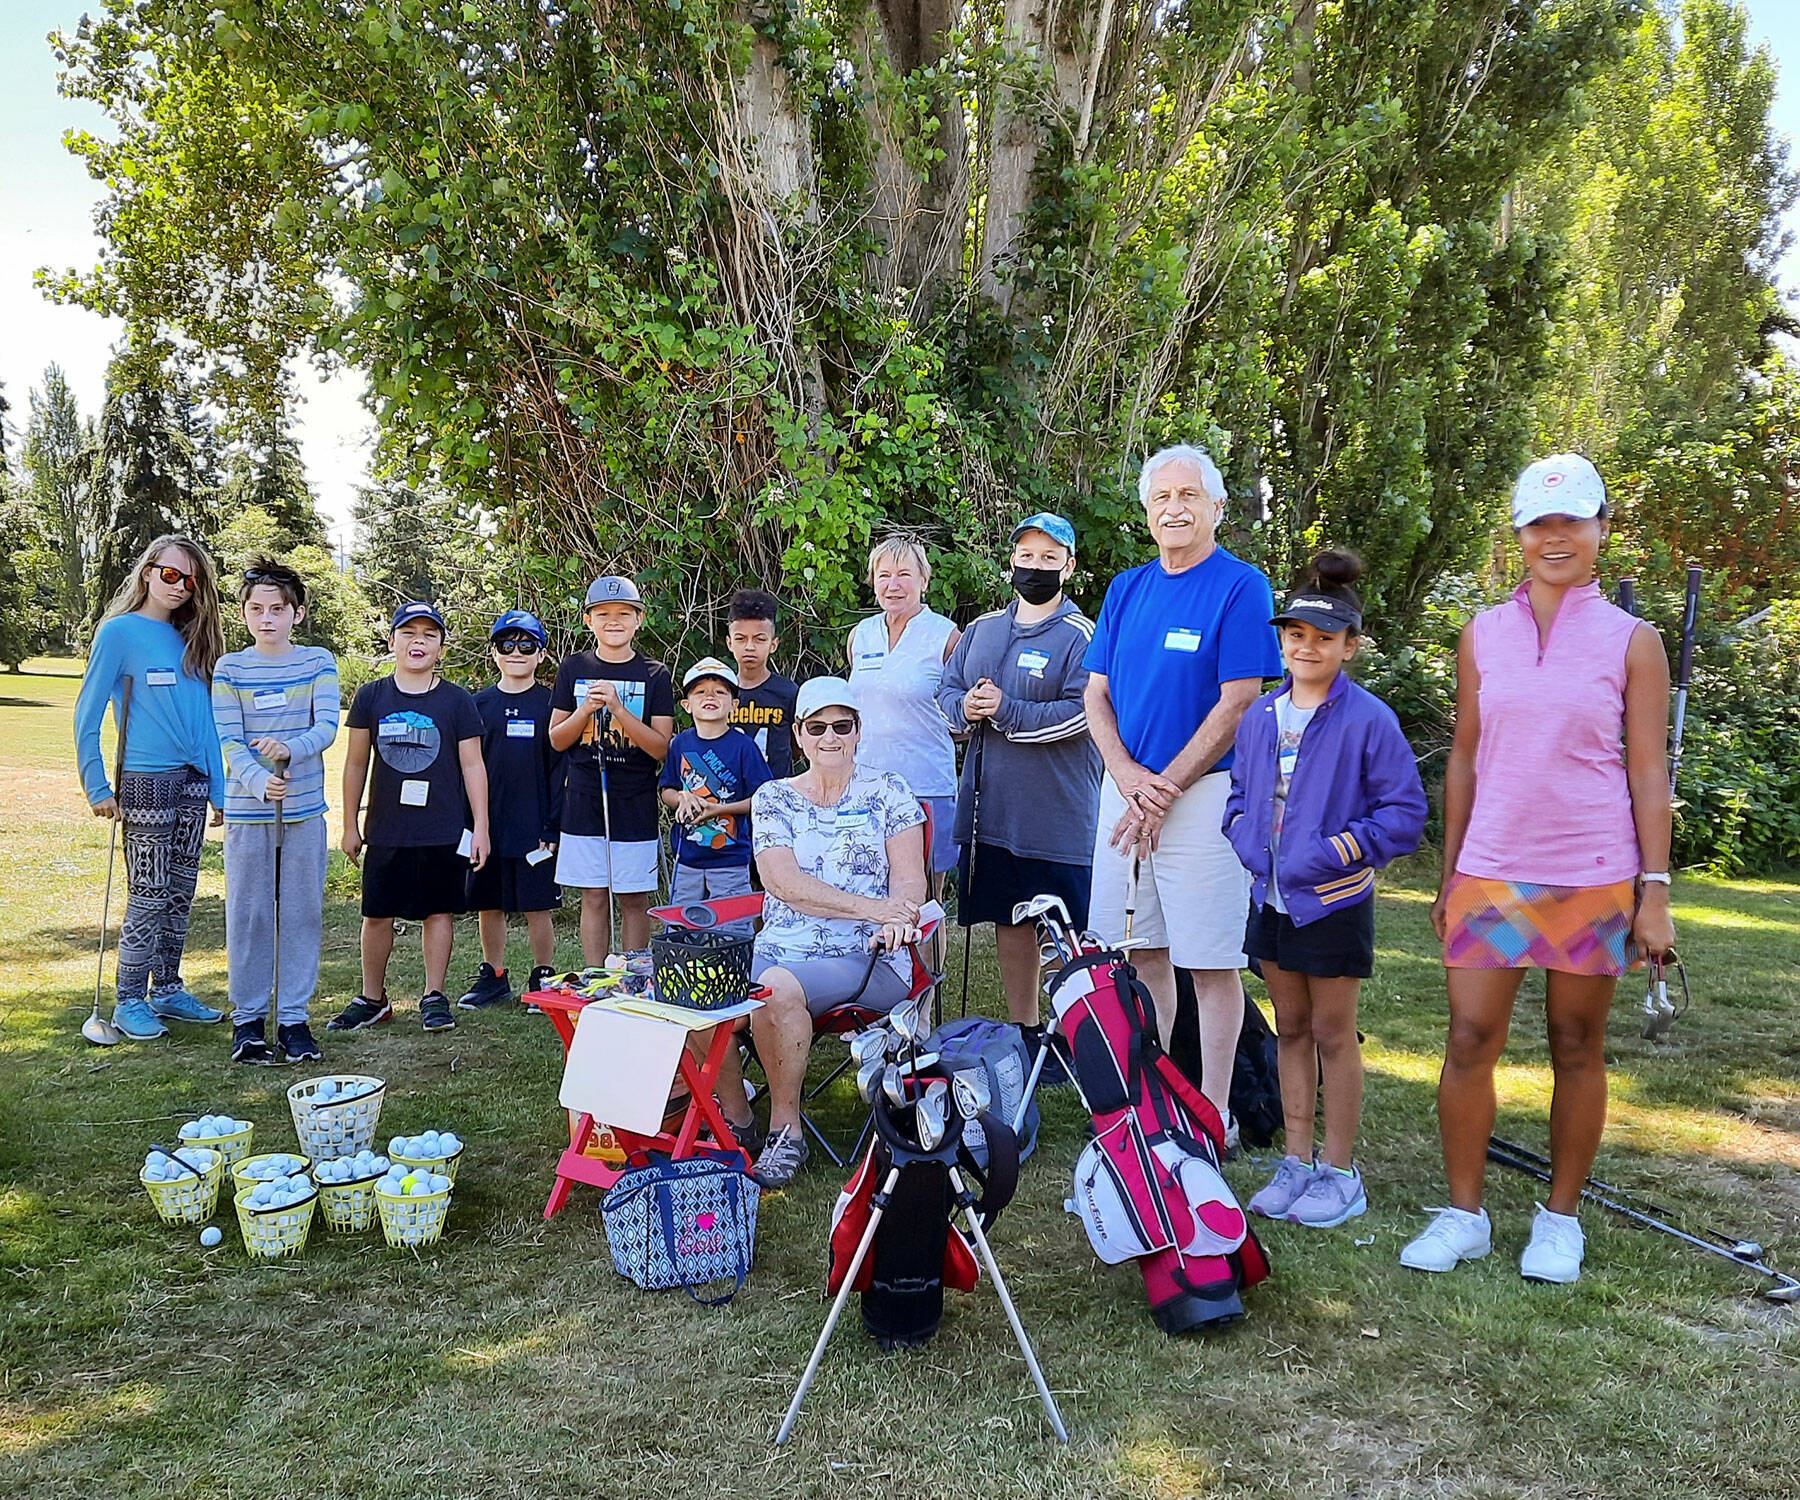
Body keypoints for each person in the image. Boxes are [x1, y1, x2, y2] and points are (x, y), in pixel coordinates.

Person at [1401, 454, 1676, 1285]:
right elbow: (1466, 761)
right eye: (1538, 523)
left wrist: (1654, 890)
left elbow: (1647, 772)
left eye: (1572, 521)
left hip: (1594, 873)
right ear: (1519, 535)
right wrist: (1451, 875)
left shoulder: (1634, 641)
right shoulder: (1482, 633)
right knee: (1469, 1038)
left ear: (1600, 531)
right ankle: (1465, 1216)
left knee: (1576, 1043)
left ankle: (1559, 1221)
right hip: (1491, 868)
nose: (1555, 537)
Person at [1083, 444, 1283, 1142]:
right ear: (1146, 509)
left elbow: (1239, 701)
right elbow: (1095, 696)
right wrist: (1130, 779)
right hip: (1126, 794)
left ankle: (1213, 1112)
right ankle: (1150, 1108)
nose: (1174, 508)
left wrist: (1165, 787)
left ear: (1216, 507)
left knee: (1211, 961)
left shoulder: (1241, 586)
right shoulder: (1126, 589)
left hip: (1203, 802)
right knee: (1139, 958)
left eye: (1189, 496)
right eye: (1163, 496)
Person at [1223, 550, 1426, 1226]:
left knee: (1335, 1033)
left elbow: (1403, 814)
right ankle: (1297, 1160)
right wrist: (1245, 836)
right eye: (1296, 635)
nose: (1307, 648)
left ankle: (1341, 1171)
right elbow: (1240, 796)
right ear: (1281, 639)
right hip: (1271, 898)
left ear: (1350, 646)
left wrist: (1337, 851)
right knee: (1291, 1029)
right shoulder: (1260, 716)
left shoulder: (1369, 720)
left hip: (1333, 901)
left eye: (1324, 637)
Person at [715, 678, 927, 1189]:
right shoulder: (774, 797)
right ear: (799, 735)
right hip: (781, 946)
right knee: (698, 984)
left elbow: (910, 879)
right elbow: (781, 882)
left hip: (869, 956)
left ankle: (786, 1131)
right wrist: (876, 907)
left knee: (776, 988)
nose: (830, 736)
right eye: (817, 727)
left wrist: (899, 915)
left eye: (842, 725)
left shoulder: (889, 791)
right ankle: (739, 1120)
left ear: (858, 732)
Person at [936, 512, 1100, 1042]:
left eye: (1049, 558)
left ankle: (1081, 1034)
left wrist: (1007, 711)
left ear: (1069, 566)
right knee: (1011, 922)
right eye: (1027, 557)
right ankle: (1026, 1030)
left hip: (1059, 815)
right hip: (993, 814)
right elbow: (945, 695)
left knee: (1069, 932)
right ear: (1012, 561)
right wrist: (967, 707)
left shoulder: (1081, 635)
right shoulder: (983, 629)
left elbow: (1083, 713)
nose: (1036, 567)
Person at [74, 535, 228, 1040]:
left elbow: (206, 723)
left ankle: (166, 988)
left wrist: (219, 791)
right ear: (147, 571)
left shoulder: (193, 639)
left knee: (181, 890)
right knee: (149, 890)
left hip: (191, 783)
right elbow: (88, 714)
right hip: (145, 781)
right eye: (170, 575)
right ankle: (127, 1000)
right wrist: (97, 785)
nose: (180, 587)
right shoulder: (118, 633)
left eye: (191, 580)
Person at [332, 602, 490, 1033]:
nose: (417, 642)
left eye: (428, 635)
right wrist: (350, 824)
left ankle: (434, 995)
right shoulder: (371, 697)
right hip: (387, 828)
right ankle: (372, 997)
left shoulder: (457, 700)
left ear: (441, 647)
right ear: (392, 641)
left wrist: (482, 828)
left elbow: (473, 766)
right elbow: (354, 764)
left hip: (442, 827)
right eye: (408, 633)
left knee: (439, 912)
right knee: (377, 914)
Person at [211, 557, 342, 1064]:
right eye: (256, 609)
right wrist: (258, 780)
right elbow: (230, 737)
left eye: (277, 609)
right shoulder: (230, 668)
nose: (267, 618)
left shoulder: (317, 662)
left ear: (297, 613)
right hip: (249, 813)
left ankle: (293, 1019)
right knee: (250, 914)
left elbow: (327, 725)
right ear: (244, 614)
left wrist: (290, 750)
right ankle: (248, 1021)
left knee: (301, 913)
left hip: (304, 811)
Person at [548, 576, 674, 962]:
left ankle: (633, 975)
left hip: (634, 799)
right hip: (585, 797)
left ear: (639, 619)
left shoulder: (655, 674)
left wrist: (619, 710)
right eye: (603, 614)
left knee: (634, 896)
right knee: (594, 895)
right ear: (589, 620)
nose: (613, 621)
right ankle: (596, 976)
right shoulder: (573, 668)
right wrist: (586, 709)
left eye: (624, 613)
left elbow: (660, 747)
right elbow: (556, 738)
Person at [457, 610, 564, 1010]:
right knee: (490, 902)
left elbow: (559, 773)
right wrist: (470, 825)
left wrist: (553, 827)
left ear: (540, 654)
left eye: (526, 645)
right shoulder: (476, 704)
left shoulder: (552, 705)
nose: (516, 652)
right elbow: (465, 768)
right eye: (507, 644)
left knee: (538, 905)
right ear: (494, 652)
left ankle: (543, 975)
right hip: (487, 825)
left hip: (535, 825)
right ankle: (494, 975)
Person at [847, 534, 960, 878]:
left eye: (904, 574)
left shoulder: (946, 636)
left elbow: (963, 714)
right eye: (884, 575)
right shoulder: (860, 635)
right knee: (869, 884)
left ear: (924, 581)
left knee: (925, 892)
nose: (893, 585)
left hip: (926, 785)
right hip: (866, 783)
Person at [659, 657, 772, 923]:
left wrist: (719, 809)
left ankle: (733, 965)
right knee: (682, 926)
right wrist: (682, 797)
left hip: (730, 858)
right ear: (686, 705)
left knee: (732, 927)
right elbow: (667, 789)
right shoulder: (680, 743)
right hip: (687, 857)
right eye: (700, 692)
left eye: (720, 691)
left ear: (733, 705)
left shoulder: (744, 746)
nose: (710, 696)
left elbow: (764, 798)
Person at [725, 588, 800, 780]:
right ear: (729, 643)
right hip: (727, 797)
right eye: (741, 639)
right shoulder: (719, 691)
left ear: (773, 645)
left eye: (760, 639)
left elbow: (798, 746)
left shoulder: (789, 692)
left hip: (776, 795)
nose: (750, 647)